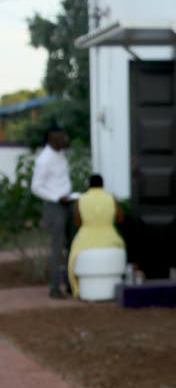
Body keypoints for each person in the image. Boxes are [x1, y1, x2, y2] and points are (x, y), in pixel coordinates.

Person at [67, 173, 126, 298]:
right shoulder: (111, 198)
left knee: (72, 258)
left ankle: (75, 289)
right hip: (110, 238)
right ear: (103, 185)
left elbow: (77, 222)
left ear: (89, 185)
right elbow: (121, 219)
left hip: (85, 239)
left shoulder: (81, 199)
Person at [31, 127, 73, 298]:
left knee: (71, 246)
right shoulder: (44, 159)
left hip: (67, 203)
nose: (65, 140)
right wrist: (56, 197)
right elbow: (36, 187)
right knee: (57, 247)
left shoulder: (61, 154)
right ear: (51, 139)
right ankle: (54, 288)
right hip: (55, 206)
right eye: (62, 138)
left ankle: (70, 285)